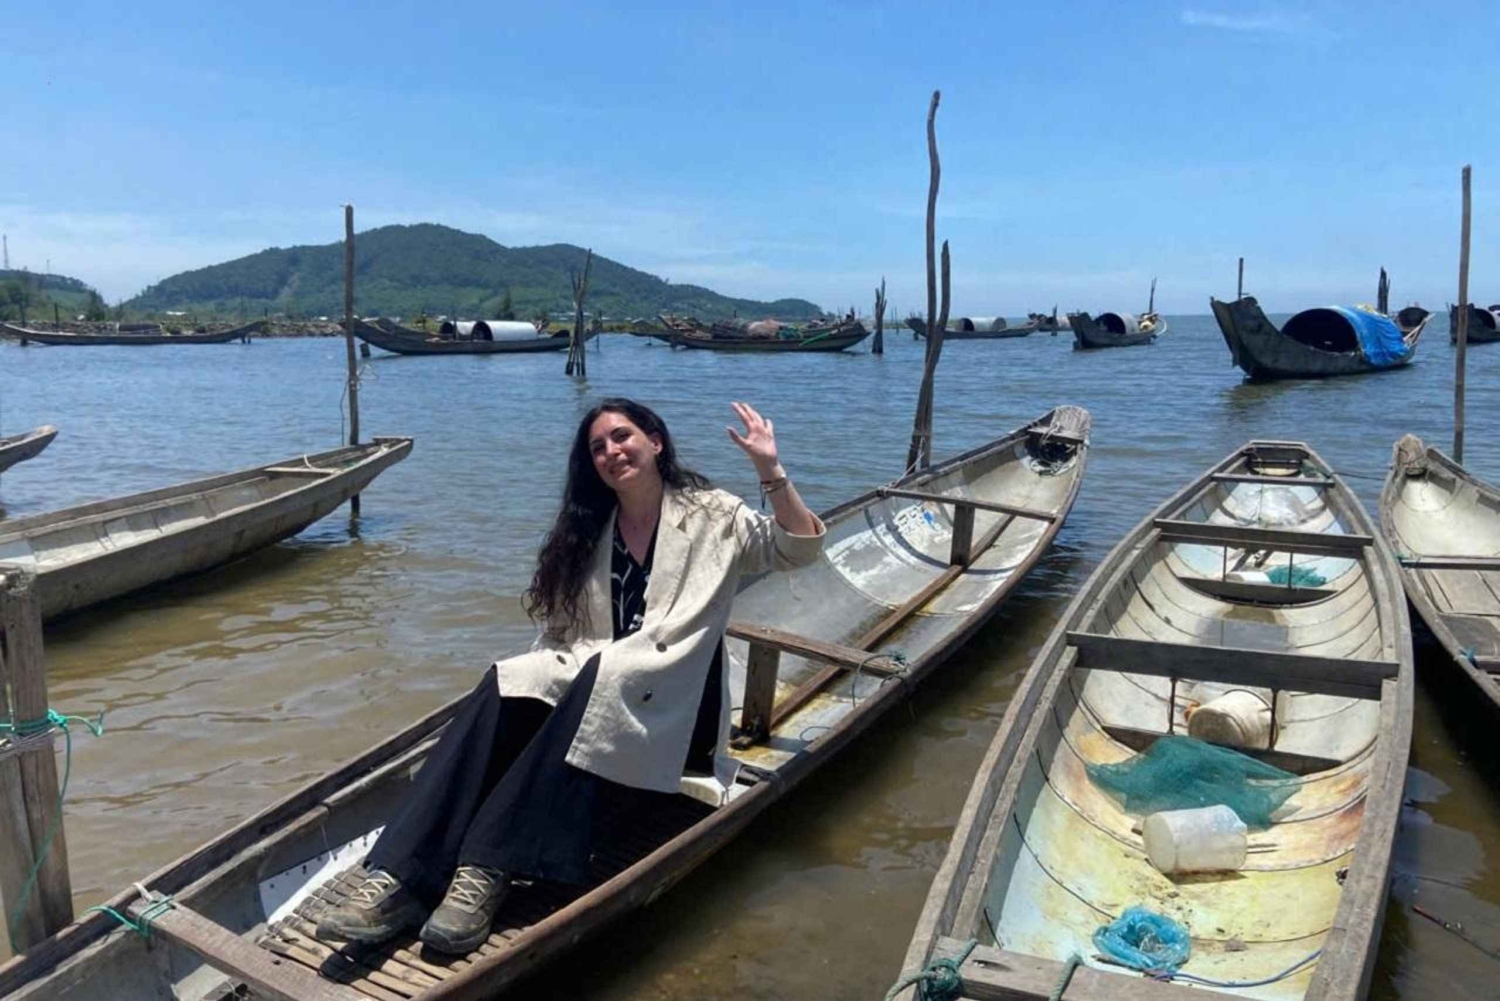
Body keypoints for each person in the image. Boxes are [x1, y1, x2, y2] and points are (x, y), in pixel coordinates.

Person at [317, 398, 825, 954]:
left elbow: (796, 550)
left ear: (655, 442)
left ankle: (487, 867)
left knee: (609, 669)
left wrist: (770, 470)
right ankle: (401, 877)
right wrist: (531, 702)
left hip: (679, 706)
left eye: (622, 436)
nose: (611, 452)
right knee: (510, 677)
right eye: (598, 447)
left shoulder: (712, 514)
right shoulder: (589, 527)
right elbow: (561, 636)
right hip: (597, 682)